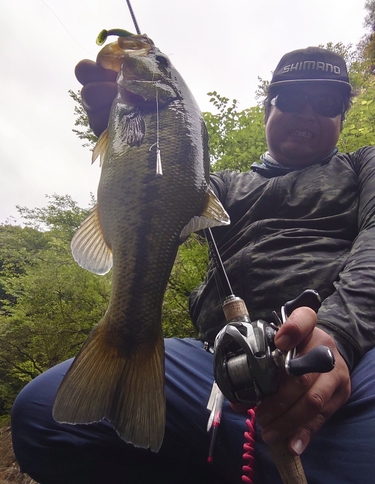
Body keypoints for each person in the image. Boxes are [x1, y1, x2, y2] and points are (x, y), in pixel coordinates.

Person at [11, 46, 375, 484]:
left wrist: (340, 333)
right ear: (267, 111)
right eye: (293, 100)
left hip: (344, 354)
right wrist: (132, 135)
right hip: (217, 363)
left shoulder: (362, 166)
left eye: (328, 103)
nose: (309, 113)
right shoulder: (219, 186)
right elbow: (162, 189)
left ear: (341, 118)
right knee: (45, 420)